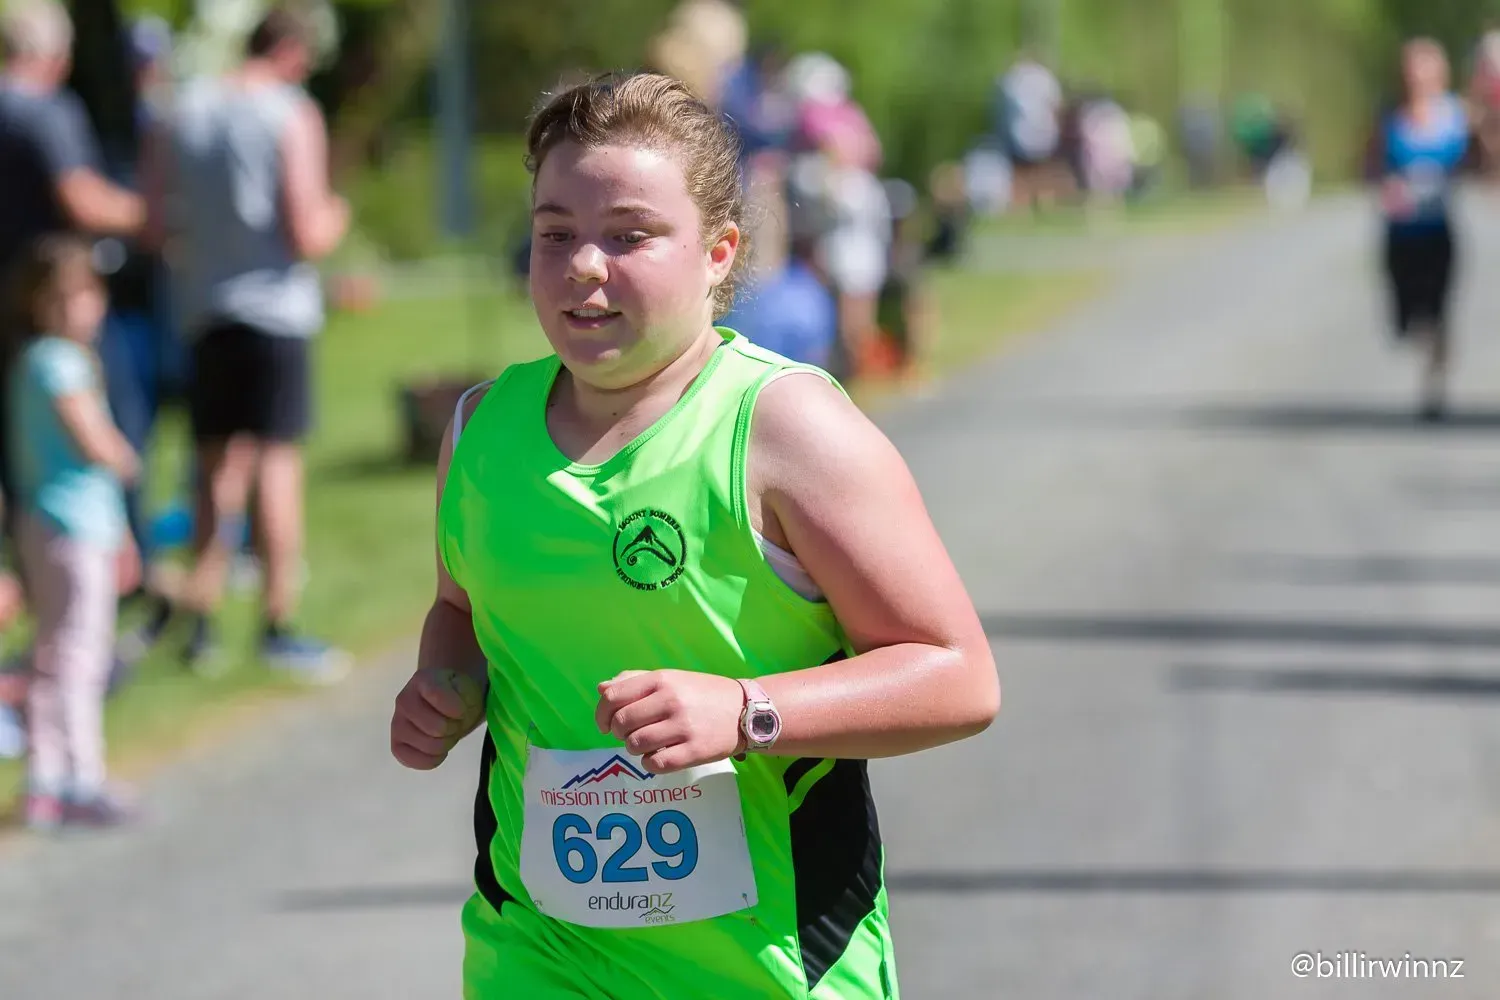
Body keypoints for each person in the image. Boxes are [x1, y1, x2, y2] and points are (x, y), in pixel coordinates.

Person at [389, 71, 1000, 1000]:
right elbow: (459, 607)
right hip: (535, 955)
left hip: (767, 969)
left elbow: (958, 674)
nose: (585, 265)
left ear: (719, 254)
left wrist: (747, 711)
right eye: (556, 234)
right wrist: (448, 682)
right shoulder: (480, 429)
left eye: (629, 236)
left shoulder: (787, 429)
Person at [129, 6, 350, 678]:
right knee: (276, 464)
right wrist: (338, 214)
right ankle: (278, 622)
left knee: (213, 467)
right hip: (274, 310)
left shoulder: (185, 109)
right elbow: (305, 229)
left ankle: (201, 621)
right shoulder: (290, 112)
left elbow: (151, 217)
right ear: (289, 49)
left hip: (206, 309)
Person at [5, 234, 140, 829]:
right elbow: (90, 438)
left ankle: (46, 778)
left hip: (58, 524)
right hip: (72, 526)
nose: (76, 307)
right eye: (61, 296)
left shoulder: (28, 361)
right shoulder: (59, 361)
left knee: (56, 652)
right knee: (81, 655)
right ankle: (82, 779)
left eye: (84, 294)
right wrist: (122, 455)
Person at [0, 0, 143, 546]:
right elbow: (81, 199)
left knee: (28, 446)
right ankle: (118, 550)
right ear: (55, 53)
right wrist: (152, 216)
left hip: (13, 311)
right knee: (101, 424)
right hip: (59, 304)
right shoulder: (45, 110)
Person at [1367, 38, 1470, 422]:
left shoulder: (1457, 117)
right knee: (1406, 321)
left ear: (1439, 73)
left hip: (1437, 232)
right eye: (1410, 69)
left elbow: (1480, 158)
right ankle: (1431, 347)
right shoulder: (1389, 118)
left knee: (1436, 311)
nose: (1416, 76)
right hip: (1400, 234)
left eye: (1424, 68)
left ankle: (1433, 383)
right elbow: (1370, 165)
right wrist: (1385, 186)